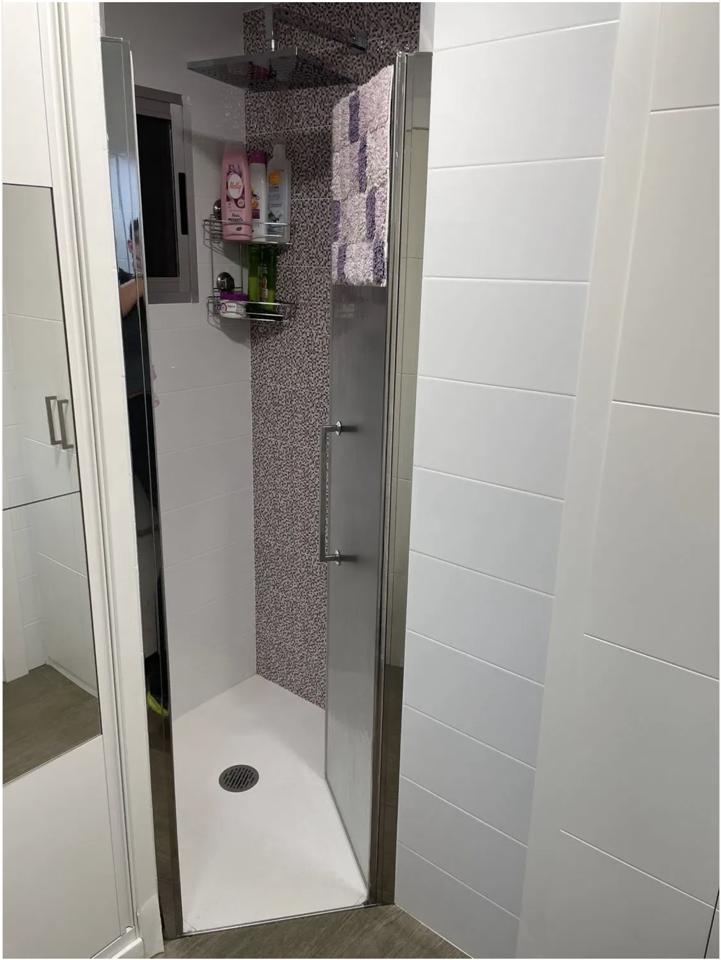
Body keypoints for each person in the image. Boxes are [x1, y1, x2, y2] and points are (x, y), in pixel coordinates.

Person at [117, 219, 168, 719]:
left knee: (176, 533)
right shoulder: (115, 280)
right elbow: (107, 310)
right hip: (134, 413)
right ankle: (160, 677)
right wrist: (142, 280)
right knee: (171, 532)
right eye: (139, 242)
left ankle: (168, 669)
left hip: (162, 408)